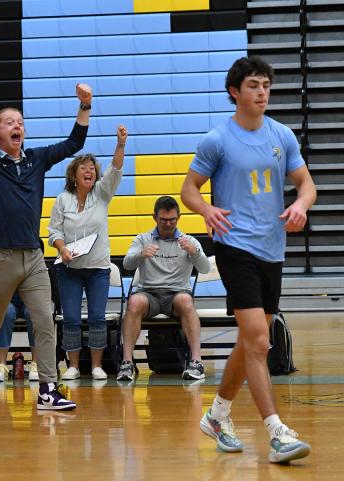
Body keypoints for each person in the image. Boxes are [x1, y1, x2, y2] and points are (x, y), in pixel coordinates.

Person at [181, 56, 316, 464]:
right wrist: (206, 210)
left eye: (266, 86)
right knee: (259, 340)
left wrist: (301, 206)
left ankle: (217, 414)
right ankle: (276, 432)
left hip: (272, 247)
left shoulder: (282, 136)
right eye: (254, 85)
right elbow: (189, 189)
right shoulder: (217, 140)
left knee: (251, 338)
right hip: (234, 246)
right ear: (234, 92)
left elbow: (306, 184)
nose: (261, 92)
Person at [0, 76, 92, 410]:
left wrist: (84, 105)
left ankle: (48, 388)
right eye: (9, 122)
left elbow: (74, 142)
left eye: (20, 122)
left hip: (33, 257)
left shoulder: (37, 159)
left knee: (45, 319)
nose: (17, 126)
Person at [48, 126, 127, 381]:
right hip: (68, 269)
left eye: (92, 168)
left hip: (98, 270)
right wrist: (62, 249)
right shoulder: (62, 200)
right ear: (74, 175)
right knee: (71, 317)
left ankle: (96, 366)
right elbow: (54, 232)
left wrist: (120, 145)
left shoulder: (102, 193)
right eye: (84, 168)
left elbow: (115, 170)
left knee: (96, 317)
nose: (89, 171)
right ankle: (73, 366)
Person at [117, 195, 210, 381]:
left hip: (177, 293)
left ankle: (196, 362)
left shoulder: (189, 241)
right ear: (155, 218)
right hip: (148, 293)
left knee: (186, 300)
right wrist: (141, 255)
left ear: (179, 218)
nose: (168, 224)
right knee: (134, 302)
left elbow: (205, 268)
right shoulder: (143, 239)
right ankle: (127, 363)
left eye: (172, 220)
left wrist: (194, 252)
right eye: (163, 220)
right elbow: (127, 264)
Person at [0, 292, 37, 382]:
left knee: (34, 312)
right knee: (5, 312)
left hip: (30, 297)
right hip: (7, 298)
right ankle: (1, 364)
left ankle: (36, 363)